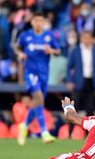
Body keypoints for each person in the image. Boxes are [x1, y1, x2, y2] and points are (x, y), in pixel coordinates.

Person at [14, 12, 61, 145]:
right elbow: (17, 47)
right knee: (39, 97)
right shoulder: (25, 36)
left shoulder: (48, 36)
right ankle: (44, 132)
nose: (39, 23)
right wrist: (21, 53)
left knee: (37, 102)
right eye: (36, 20)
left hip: (44, 74)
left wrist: (51, 50)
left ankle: (24, 125)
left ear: (44, 22)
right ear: (32, 22)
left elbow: (58, 51)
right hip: (30, 72)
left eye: (41, 20)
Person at [66, 30, 95, 117]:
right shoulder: (75, 50)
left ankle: (88, 130)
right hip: (78, 81)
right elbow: (69, 66)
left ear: (91, 39)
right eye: (85, 38)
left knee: (90, 107)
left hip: (91, 81)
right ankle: (73, 129)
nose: (87, 40)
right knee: (74, 107)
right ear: (81, 39)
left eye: (88, 38)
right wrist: (69, 81)